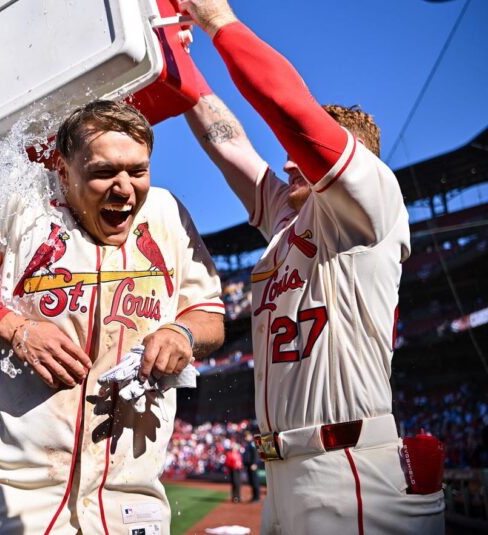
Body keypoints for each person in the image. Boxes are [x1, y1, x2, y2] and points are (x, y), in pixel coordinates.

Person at [0, 99, 226, 534]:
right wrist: (15, 328)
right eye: (104, 172)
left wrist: (182, 333)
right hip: (19, 495)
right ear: (63, 171)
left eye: (138, 171)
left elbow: (207, 314)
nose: (124, 189)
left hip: (130, 497)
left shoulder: (167, 212)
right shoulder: (20, 203)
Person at [178, 0, 446, 533]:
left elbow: (291, 109)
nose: (285, 161)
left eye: (299, 153)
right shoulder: (290, 220)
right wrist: (175, 59)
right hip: (284, 472)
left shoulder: (370, 204)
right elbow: (230, 145)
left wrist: (217, 20)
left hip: (349, 468)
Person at [241, 431, 261, 502]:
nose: (245, 438)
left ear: (250, 436)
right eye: (245, 436)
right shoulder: (247, 444)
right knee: (251, 481)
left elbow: (255, 454)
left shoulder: (252, 444)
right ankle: (254, 497)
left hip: (253, 465)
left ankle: (257, 497)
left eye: (247, 436)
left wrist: (254, 463)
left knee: (255, 481)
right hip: (249, 465)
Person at [224, 438, 243, 503]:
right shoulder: (229, 453)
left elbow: (240, 461)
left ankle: (238, 496)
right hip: (233, 469)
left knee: (238, 483)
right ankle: (235, 496)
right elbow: (228, 462)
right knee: (235, 483)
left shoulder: (238, 453)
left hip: (238, 470)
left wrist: (240, 466)